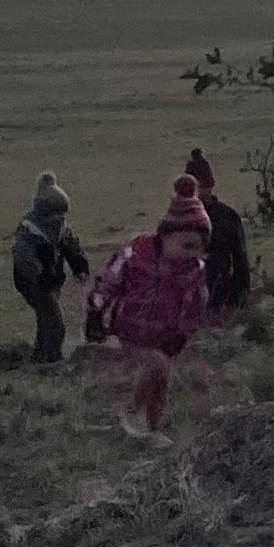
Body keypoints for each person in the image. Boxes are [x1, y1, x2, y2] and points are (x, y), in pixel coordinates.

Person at [87, 177, 215, 438]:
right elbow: (110, 279)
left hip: (164, 336)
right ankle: (130, 411)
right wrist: (96, 310)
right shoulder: (138, 254)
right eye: (187, 245)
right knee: (155, 365)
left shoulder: (192, 272)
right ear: (166, 235)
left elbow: (195, 305)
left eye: (200, 248)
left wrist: (182, 334)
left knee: (162, 379)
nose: (193, 253)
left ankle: (152, 427)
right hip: (129, 329)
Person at [9, 173, 91, 364]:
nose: (61, 219)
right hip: (32, 283)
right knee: (55, 322)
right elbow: (24, 260)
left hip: (51, 280)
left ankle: (39, 357)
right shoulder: (29, 229)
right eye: (58, 214)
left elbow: (71, 246)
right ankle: (53, 360)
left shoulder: (59, 227)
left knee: (45, 319)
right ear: (45, 210)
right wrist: (40, 278)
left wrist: (80, 266)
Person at [183, 147, 253, 317]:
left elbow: (240, 264)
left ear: (211, 183)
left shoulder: (227, 217)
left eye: (203, 185)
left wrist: (237, 303)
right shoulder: (179, 220)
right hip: (184, 303)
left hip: (219, 300)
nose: (199, 192)